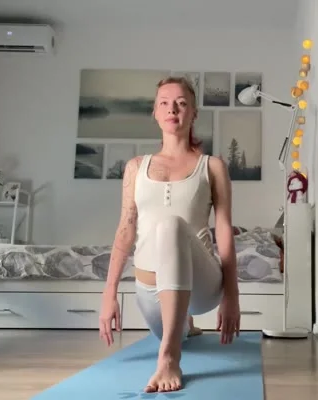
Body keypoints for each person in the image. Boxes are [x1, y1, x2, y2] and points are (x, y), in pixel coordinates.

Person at [98, 76, 242, 393]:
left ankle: (169, 358)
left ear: (193, 113)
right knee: (171, 325)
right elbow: (126, 229)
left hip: (202, 287)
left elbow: (224, 229)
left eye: (181, 103)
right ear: (155, 112)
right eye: (164, 103)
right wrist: (109, 294)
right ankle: (184, 325)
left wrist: (232, 295)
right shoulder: (136, 167)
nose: (172, 109)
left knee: (171, 225)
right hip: (149, 292)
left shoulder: (212, 166)